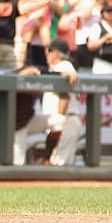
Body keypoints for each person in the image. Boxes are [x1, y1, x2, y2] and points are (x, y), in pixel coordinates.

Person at [12, 38, 82, 166]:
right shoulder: (54, 69)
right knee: (59, 164)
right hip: (62, 122)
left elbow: (64, 96)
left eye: (49, 51)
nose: (46, 53)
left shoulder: (64, 65)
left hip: (67, 121)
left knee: (59, 166)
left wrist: (60, 122)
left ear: (57, 53)